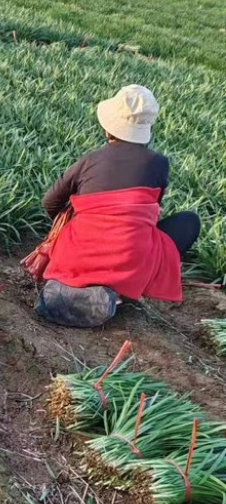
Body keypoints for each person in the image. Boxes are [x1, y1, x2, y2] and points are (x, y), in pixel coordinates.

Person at [36, 84, 200, 328]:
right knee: (189, 221)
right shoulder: (158, 164)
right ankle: (124, 290)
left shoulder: (89, 161)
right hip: (126, 263)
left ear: (108, 129)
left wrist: (70, 224)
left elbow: (50, 202)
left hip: (74, 256)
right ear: (147, 128)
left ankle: (85, 282)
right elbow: (149, 213)